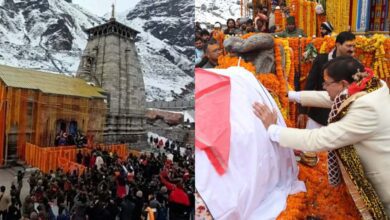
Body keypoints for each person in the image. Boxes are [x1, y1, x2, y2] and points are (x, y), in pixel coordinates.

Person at [253, 56, 390, 217]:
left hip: (383, 183)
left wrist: (273, 129)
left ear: (344, 84)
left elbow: (319, 139)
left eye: (326, 83)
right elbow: (336, 98)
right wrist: (290, 95)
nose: (324, 87)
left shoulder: (366, 108)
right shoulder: (370, 86)